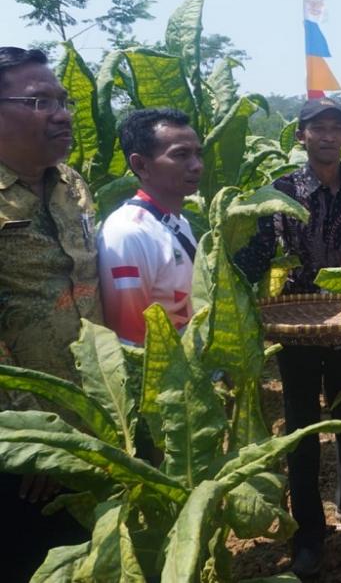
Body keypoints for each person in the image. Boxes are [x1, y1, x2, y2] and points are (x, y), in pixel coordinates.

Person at [235, 96, 341, 578]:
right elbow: (258, 253)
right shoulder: (281, 191)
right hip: (298, 324)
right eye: (317, 128)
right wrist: (230, 288)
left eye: (336, 128)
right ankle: (308, 529)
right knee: (302, 426)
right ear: (301, 136)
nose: (327, 136)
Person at [0, 46, 98, 581]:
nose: (62, 113)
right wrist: (36, 434)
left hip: (94, 420)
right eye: (40, 102)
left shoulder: (73, 185)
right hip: (23, 445)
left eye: (62, 101)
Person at [98, 108, 203, 345]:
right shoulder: (128, 232)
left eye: (198, 154)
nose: (196, 165)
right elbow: (130, 337)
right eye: (181, 155)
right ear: (141, 165)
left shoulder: (180, 222)